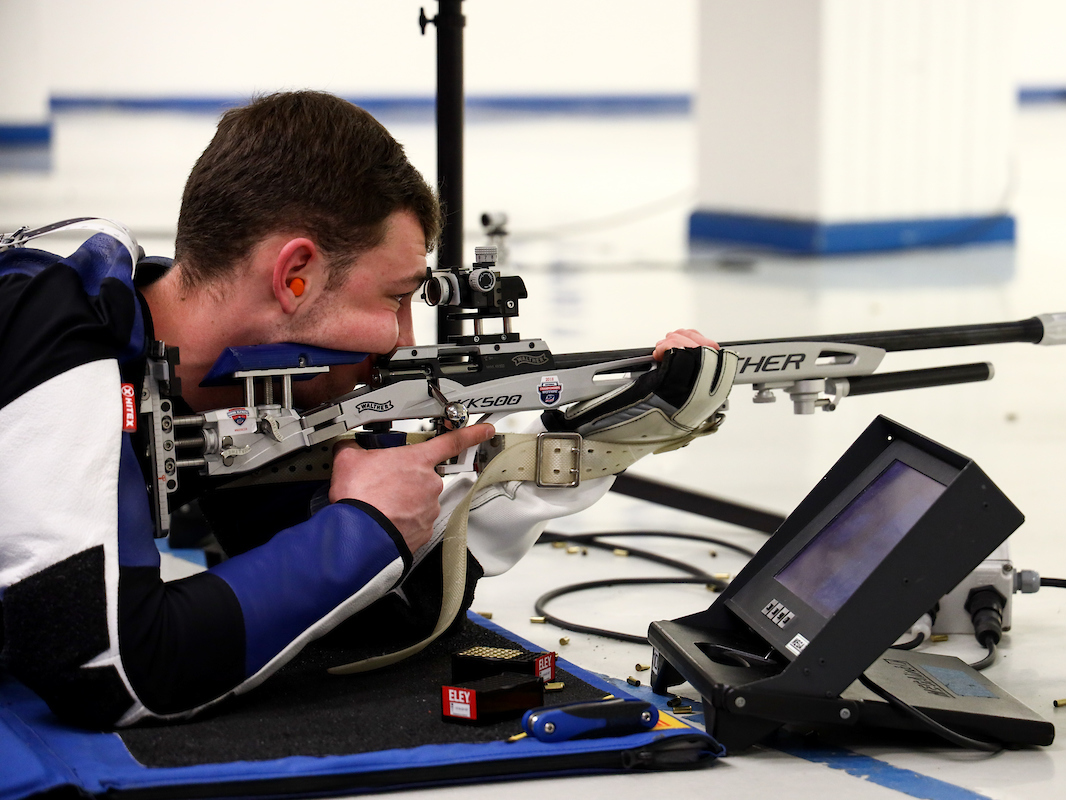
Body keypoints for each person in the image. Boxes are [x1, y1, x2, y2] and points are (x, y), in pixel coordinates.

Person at [0, 91, 733, 729]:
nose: (401, 342)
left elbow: (369, 614)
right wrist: (362, 527)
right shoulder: (58, 333)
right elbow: (113, 673)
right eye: (395, 300)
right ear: (294, 276)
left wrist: (569, 447)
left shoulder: (228, 387)